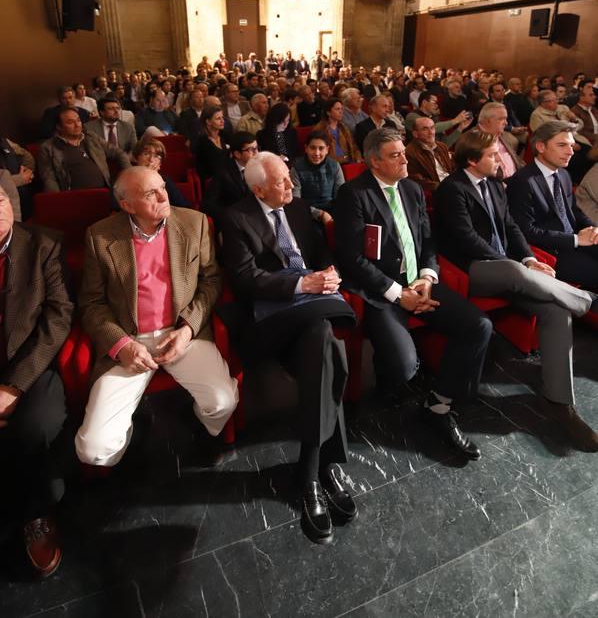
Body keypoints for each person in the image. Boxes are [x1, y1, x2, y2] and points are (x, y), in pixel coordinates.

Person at [220, 153, 358, 544]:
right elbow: (245, 278)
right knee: (330, 348)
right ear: (258, 188)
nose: (291, 186)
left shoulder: (296, 207)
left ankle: (311, 473)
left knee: (322, 343)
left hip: (312, 306)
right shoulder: (236, 217)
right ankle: (325, 466)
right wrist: (302, 285)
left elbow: (318, 250)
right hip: (273, 314)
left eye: (289, 178)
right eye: (281, 181)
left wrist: (329, 272)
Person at [334, 127, 492, 460]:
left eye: (404, 152)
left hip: (420, 283)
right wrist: (397, 293)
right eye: (396, 156)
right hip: (382, 290)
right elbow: (352, 259)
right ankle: (389, 371)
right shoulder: (353, 194)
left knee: (479, 326)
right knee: (405, 368)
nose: (405, 160)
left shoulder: (412, 188)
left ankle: (439, 405)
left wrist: (427, 276)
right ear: (375, 163)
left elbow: (428, 241)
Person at [434, 131, 598, 450]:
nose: (501, 159)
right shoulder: (452, 189)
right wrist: (513, 263)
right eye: (493, 154)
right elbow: (467, 239)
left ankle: (559, 402)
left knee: (556, 311)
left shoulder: (495, 185)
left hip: (511, 270)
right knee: (513, 270)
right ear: (472, 160)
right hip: (471, 270)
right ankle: (587, 300)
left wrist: (529, 259)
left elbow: (511, 227)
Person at [75, 166, 238, 468]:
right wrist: (122, 345)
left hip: (181, 334)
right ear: (127, 205)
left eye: (163, 186)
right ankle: (132, 434)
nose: (164, 196)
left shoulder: (194, 223)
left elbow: (212, 281)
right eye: (151, 193)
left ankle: (199, 424)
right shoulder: (100, 235)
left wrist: (188, 329)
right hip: (129, 341)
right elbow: (91, 302)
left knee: (222, 402)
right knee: (93, 450)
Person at [0, 188, 73, 577]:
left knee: (35, 425)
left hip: (30, 364)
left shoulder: (44, 243)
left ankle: (37, 514)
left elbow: (58, 318)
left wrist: (13, 386)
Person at [507, 121, 598, 289]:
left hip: (575, 241)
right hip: (550, 252)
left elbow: (574, 211)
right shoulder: (522, 181)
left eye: (571, 145)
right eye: (562, 145)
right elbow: (526, 231)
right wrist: (575, 240)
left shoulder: (563, 174)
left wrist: (593, 229)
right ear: (541, 147)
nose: (570, 152)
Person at [38, 107, 130, 191]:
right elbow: (49, 179)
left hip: (104, 191)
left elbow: (118, 153)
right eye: (70, 122)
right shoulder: (48, 147)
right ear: (59, 127)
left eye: (78, 120)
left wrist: (128, 173)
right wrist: (58, 199)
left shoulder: (91, 137)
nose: (77, 125)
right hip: (76, 195)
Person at [201, 131, 258, 227]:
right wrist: (230, 217)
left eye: (256, 148)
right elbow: (208, 203)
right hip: (234, 221)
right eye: (251, 149)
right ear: (237, 154)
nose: (256, 153)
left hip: (257, 218)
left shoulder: (261, 167)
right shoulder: (223, 171)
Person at [290, 130, 345, 224]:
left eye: (321, 148)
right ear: (306, 148)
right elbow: (296, 202)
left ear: (327, 150)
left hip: (333, 212)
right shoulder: (296, 168)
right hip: (307, 213)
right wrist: (320, 214)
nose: (317, 153)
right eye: (312, 148)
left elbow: (341, 197)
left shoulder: (335, 166)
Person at [130, 138, 191, 208]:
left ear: (160, 163)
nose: (151, 160)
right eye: (146, 154)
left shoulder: (165, 181)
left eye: (156, 156)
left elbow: (184, 206)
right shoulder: (128, 180)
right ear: (136, 158)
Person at [405, 115, 453, 192]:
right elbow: (417, 180)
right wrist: (441, 187)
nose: (431, 132)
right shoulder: (410, 152)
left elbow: (452, 168)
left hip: (451, 184)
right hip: (436, 190)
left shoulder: (442, 146)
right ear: (415, 134)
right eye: (425, 129)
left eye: (432, 128)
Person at [476, 102, 523, 179]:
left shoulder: (502, 135)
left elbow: (518, 161)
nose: (506, 123)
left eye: (506, 119)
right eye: (501, 119)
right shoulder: (474, 140)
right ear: (488, 121)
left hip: (516, 178)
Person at [313, 98, 359, 164]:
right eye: (337, 109)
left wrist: (358, 157)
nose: (341, 112)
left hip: (347, 161)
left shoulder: (344, 128)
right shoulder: (320, 129)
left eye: (341, 109)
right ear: (328, 113)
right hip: (330, 163)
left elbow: (353, 145)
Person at [194, 103, 231, 182]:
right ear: (208, 122)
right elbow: (210, 168)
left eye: (222, 117)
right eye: (218, 119)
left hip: (225, 177)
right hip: (212, 180)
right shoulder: (203, 142)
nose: (223, 121)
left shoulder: (223, 136)